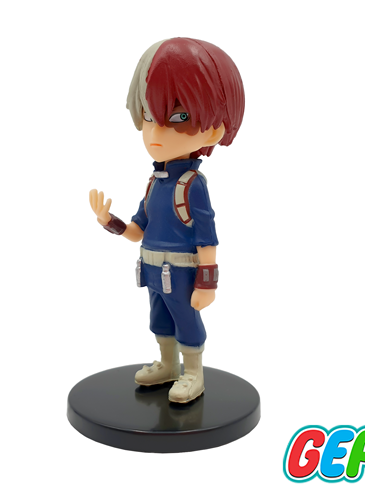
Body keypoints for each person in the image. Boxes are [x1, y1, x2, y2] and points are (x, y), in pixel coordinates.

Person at [89, 38, 245, 403]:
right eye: (149, 116)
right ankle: (168, 364)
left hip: (181, 271)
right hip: (152, 268)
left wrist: (207, 284)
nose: (156, 132)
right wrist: (108, 221)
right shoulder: (154, 183)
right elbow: (136, 231)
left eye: (178, 118)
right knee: (159, 319)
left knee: (186, 320)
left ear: (214, 129)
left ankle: (193, 372)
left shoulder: (192, 185)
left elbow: (207, 238)